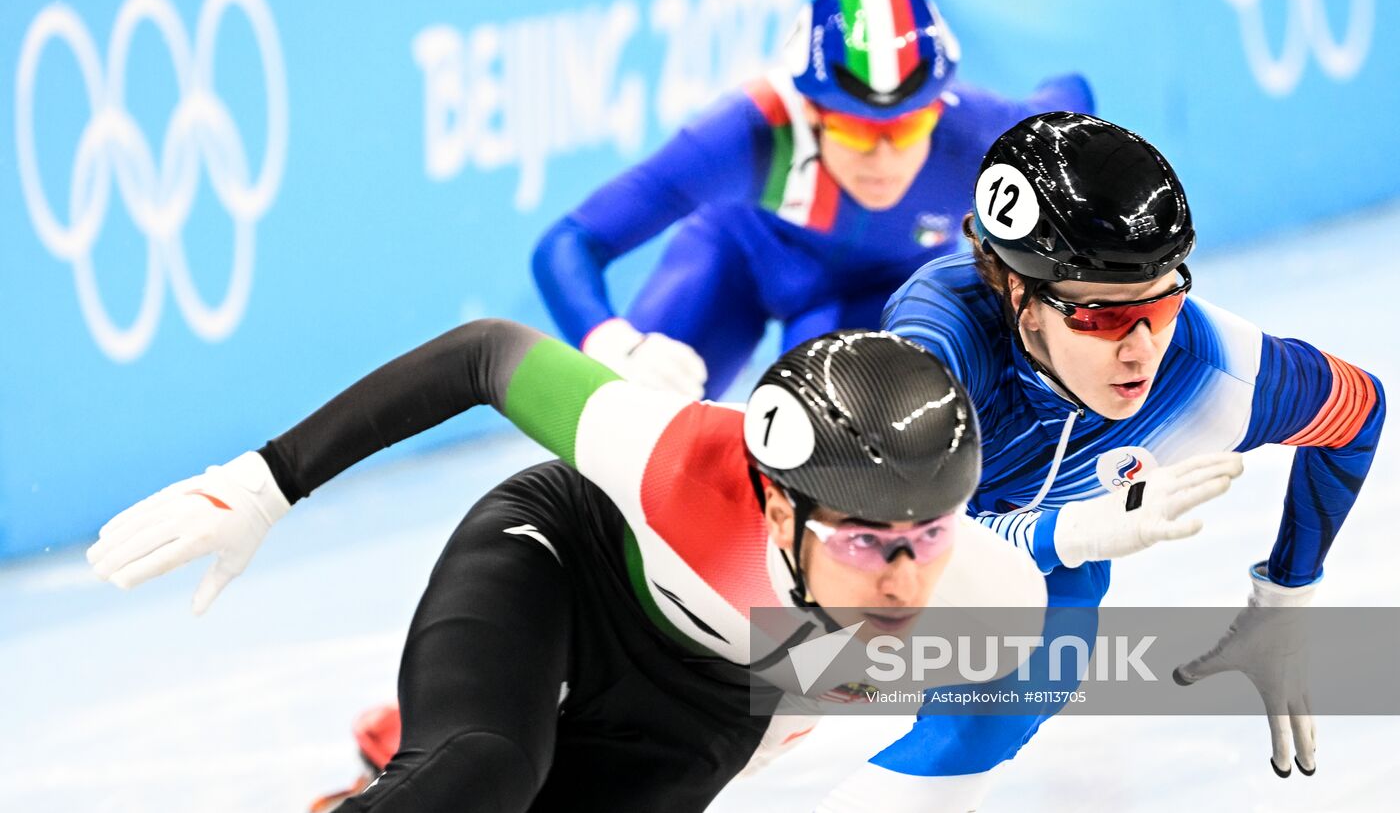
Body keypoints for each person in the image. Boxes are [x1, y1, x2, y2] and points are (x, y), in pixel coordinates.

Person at [89, 324, 1090, 811]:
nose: (904, 580)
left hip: (712, 689)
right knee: (483, 769)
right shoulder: (671, 462)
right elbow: (483, 354)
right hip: (564, 563)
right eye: (867, 542)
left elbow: (842, 690)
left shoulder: (984, 603)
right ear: (777, 502)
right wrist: (264, 482)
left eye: (930, 536)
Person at [815, 111, 1385, 810]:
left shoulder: (1209, 369)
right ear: (1016, 294)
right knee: (776, 676)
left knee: (1006, 704)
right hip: (867, 537)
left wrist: (1285, 600)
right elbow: (890, 538)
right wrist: (1072, 533)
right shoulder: (939, 340)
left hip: (1044, 560)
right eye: (1103, 316)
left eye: (1165, 300)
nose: (1142, 348)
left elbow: (1358, 411)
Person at [534, 0, 1094, 400]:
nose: (882, 156)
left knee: (839, 443)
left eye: (907, 127)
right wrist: (612, 343)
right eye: (854, 129)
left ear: (937, 108)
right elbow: (569, 243)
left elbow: (1071, 94)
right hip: (737, 262)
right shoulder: (747, 132)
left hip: (874, 287)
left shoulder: (984, 137)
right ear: (810, 110)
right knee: (630, 410)